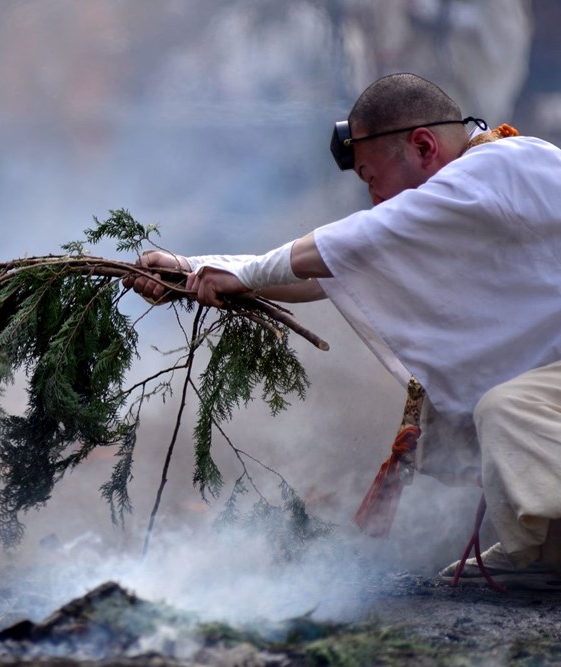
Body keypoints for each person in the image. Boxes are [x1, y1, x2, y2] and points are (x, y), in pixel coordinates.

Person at [124, 72, 561, 589]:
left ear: (422, 145)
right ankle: (548, 553)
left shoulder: (502, 167)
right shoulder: (467, 198)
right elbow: (335, 269)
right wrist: (191, 269)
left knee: (508, 408)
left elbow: (356, 242)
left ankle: (546, 558)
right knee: (506, 403)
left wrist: (236, 274)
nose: (375, 199)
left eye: (372, 178)